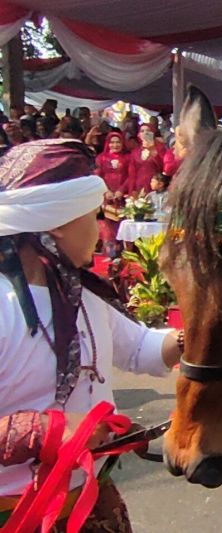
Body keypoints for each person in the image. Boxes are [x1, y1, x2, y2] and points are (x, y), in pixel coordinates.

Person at [0, 139, 182, 530]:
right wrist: (46, 431)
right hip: (18, 515)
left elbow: (140, 351)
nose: (101, 231)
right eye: (93, 215)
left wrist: (197, 336)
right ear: (58, 224)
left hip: (92, 500)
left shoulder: (84, 296)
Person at [127, 124, 165, 194]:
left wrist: (152, 150)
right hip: (139, 187)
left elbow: (162, 167)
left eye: (148, 131)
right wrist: (131, 190)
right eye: (142, 131)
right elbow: (132, 174)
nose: (145, 133)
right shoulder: (135, 152)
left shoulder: (160, 148)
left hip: (155, 185)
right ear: (139, 135)